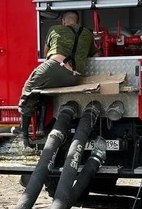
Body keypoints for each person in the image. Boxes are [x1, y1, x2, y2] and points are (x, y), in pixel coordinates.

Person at [15, 10, 97, 146]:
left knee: (29, 88)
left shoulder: (55, 29)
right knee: (44, 89)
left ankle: (23, 131)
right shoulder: (87, 33)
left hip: (55, 67)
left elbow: (45, 53)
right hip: (75, 77)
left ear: (64, 21)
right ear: (78, 22)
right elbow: (96, 54)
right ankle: (41, 127)